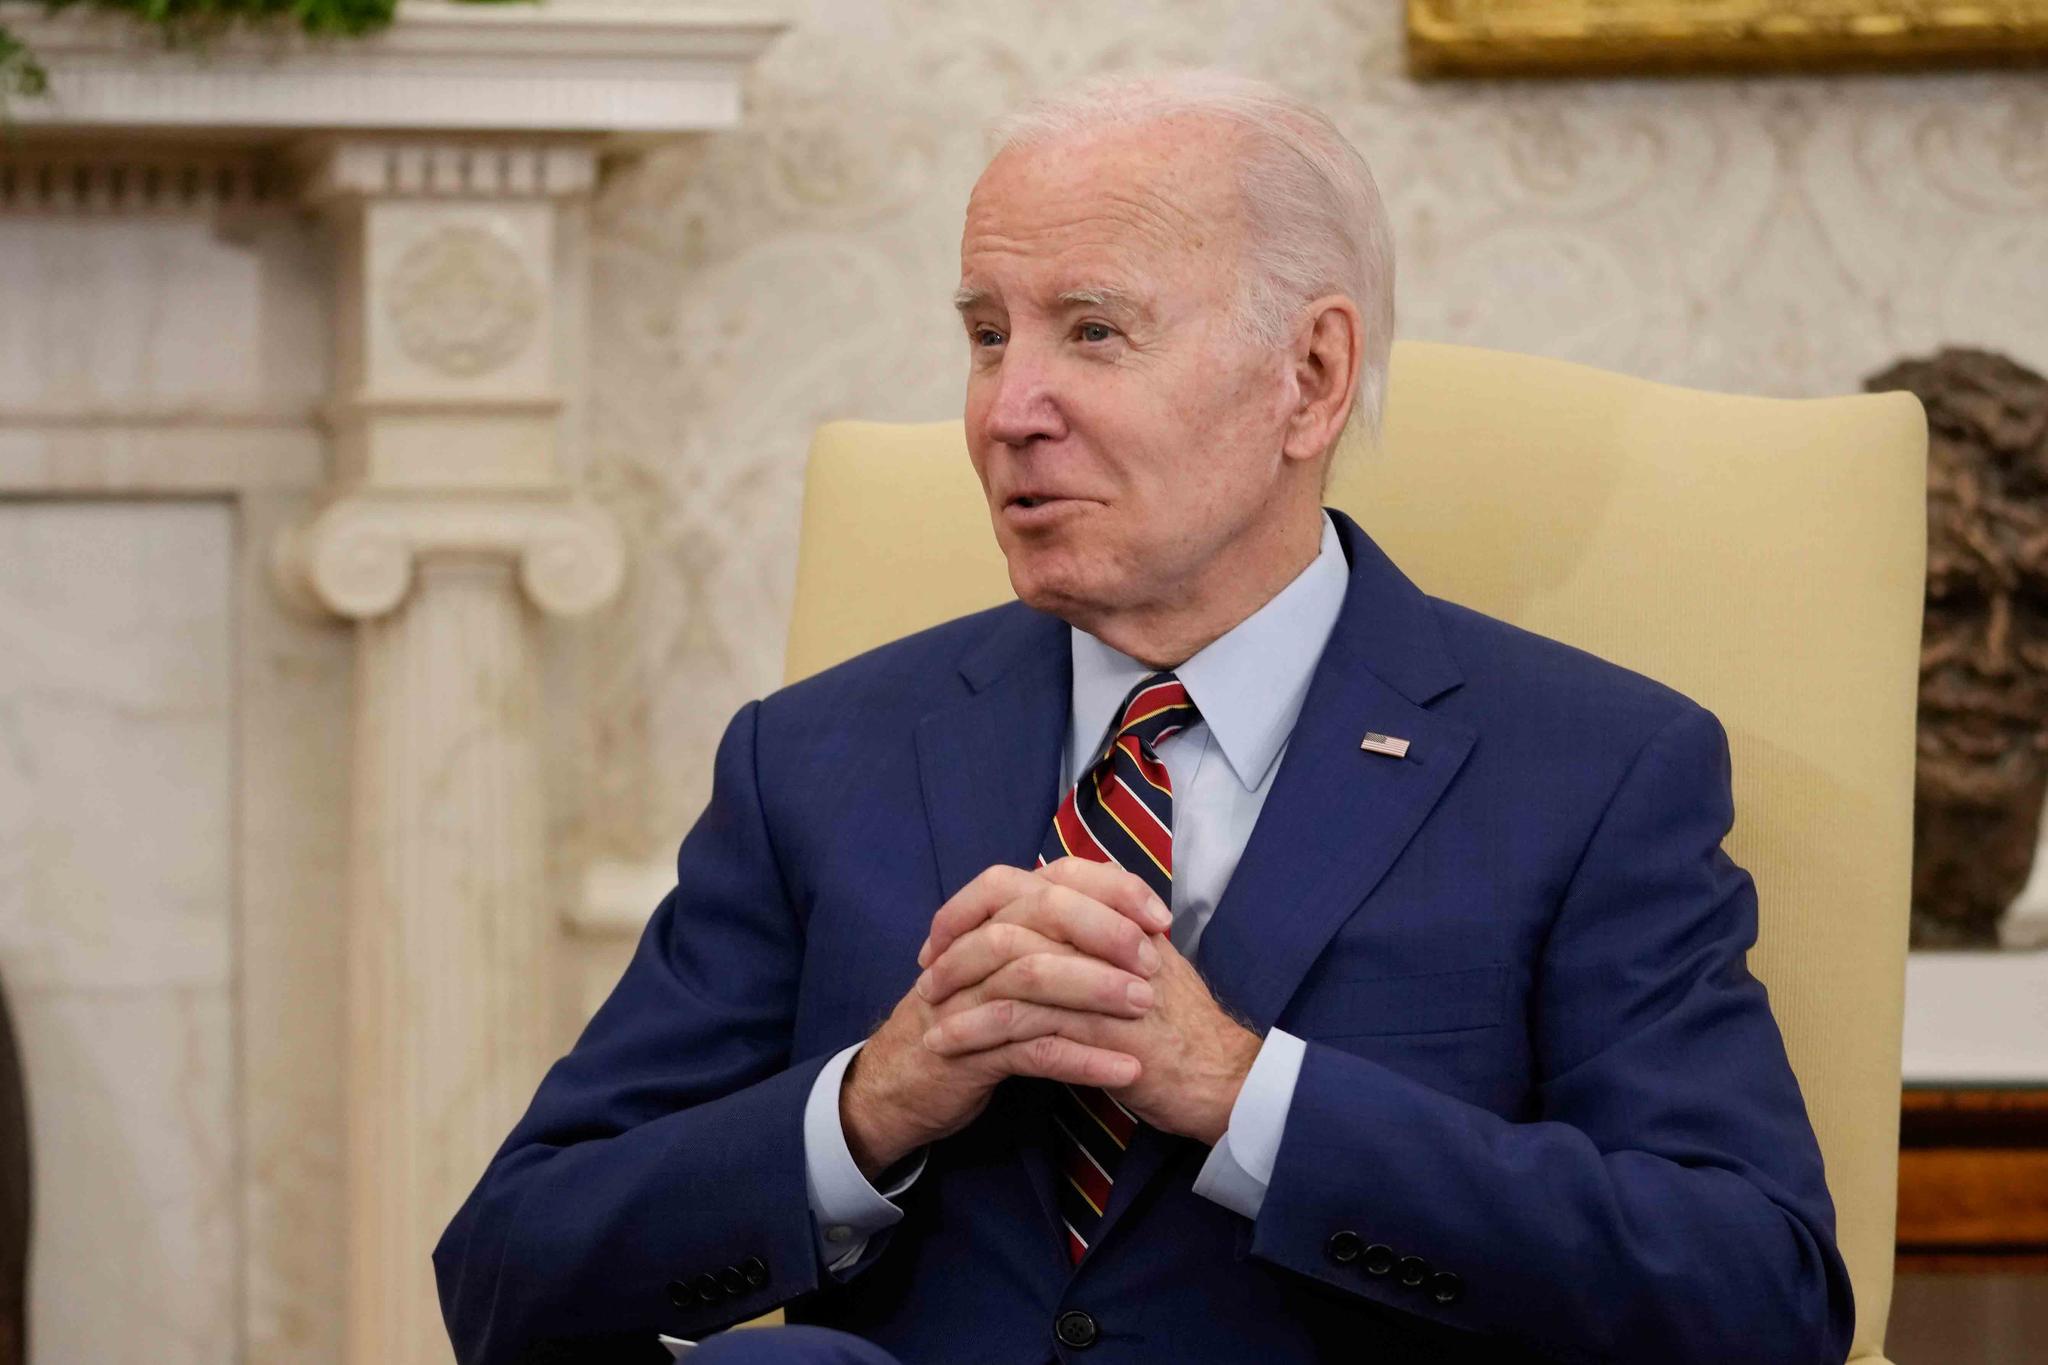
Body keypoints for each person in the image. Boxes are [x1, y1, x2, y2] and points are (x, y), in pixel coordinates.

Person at [434, 70, 1854, 1365]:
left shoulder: (1594, 770)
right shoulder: (816, 757)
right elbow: (507, 1273)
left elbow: (1757, 1295)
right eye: (986, 336)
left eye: (1093, 331)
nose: (1009, 408)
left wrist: (1246, 1093)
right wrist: (869, 1104)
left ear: (1310, 376)